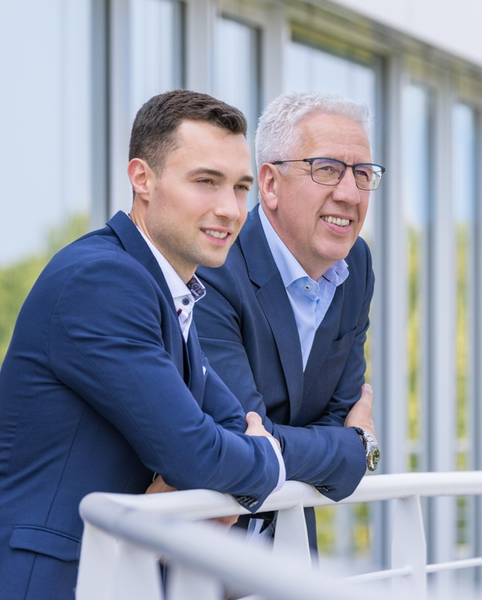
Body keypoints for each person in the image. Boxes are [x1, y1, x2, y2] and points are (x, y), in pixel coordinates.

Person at [0, 89, 286, 600]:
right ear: (142, 178)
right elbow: (196, 452)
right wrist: (266, 456)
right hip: (53, 582)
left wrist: (213, 467)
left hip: (115, 575)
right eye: (206, 181)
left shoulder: (165, 289)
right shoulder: (103, 281)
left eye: (241, 187)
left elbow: (222, 426)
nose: (230, 209)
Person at [195, 91, 383, 544]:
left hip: (290, 547)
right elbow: (239, 438)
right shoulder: (216, 262)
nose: (349, 194)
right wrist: (356, 449)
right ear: (270, 184)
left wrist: (297, 442)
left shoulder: (356, 264)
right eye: (327, 169)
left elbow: (338, 410)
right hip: (201, 550)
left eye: (362, 174)